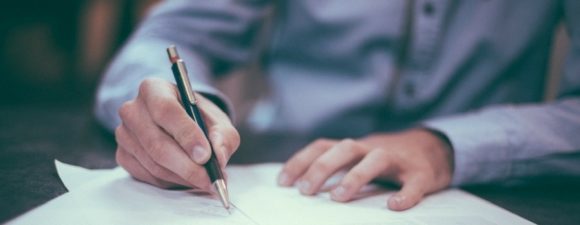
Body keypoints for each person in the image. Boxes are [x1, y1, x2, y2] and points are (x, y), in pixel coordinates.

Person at [95, 0, 580, 211]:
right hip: (283, 173)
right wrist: (169, 108)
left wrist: (446, 146)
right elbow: (164, 39)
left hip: (491, 185)